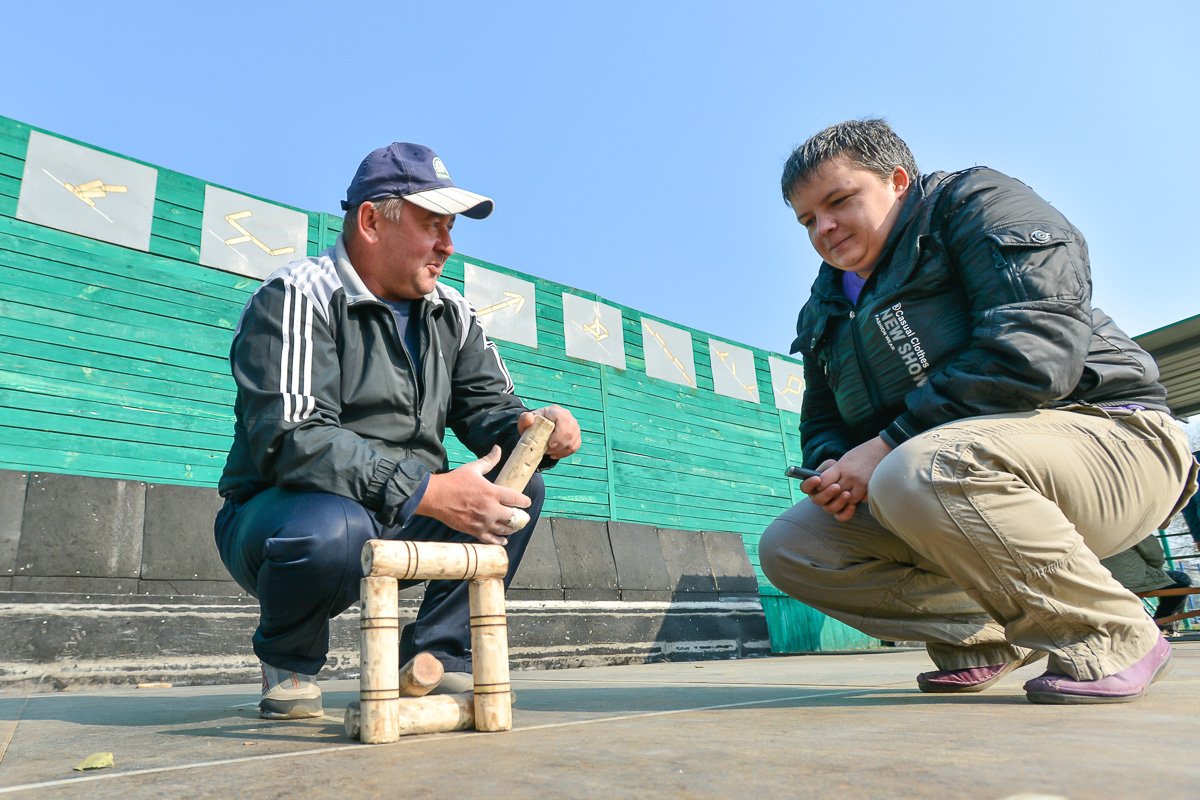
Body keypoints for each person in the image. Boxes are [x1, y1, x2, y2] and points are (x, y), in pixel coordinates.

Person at [760, 119, 1198, 705]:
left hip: (1114, 436)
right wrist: (833, 466)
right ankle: (985, 639)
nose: (825, 228)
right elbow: (821, 417)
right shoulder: (824, 306)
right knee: (794, 546)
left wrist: (887, 443)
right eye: (807, 219)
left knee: (920, 466)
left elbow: (1034, 349)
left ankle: (1110, 633)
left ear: (896, 180)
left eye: (839, 201)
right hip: (940, 471)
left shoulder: (973, 204)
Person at [214, 142, 581, 719]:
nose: (448, 245)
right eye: (432, 224)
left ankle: (440, 656)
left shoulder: (451, 311)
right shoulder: (297, 296)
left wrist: (533, 428)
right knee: (332, 528)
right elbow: (291, 438)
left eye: (452, 228)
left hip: (402, 505)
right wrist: (430, 491)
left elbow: (486, 404)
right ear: (370, 221)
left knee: (519, 492)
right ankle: (289, 660)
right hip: (284, 515)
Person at [1099, 535, 1193, 630]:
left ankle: (1153, 620)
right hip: (1132, 580)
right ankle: (1163, 621)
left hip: (1101, 580)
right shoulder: (1134, 526)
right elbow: (1156, 558)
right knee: (1182, 579)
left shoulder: (1087, 528)